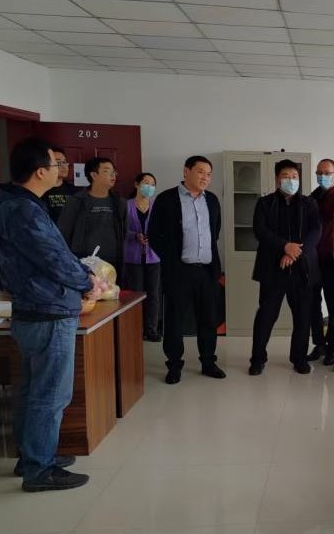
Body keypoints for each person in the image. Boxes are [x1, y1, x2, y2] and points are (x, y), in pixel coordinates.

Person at [0, 137, 103, 491]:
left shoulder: (18, 205)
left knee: (33, 389)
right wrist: (86, 281)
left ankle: (32, 456)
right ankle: (40, 469)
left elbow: (57, 253)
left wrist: (82, 275)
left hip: (35, 309)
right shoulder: (24, 211)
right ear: (40, 171)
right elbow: (54, 260)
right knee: (51, 394)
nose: (61, 170)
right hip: (47, 311)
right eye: (56, 165)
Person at [148, 156, 226, 384]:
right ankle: (174, 365)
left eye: (209, 174)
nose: (205, 178)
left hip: (207, 271)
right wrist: (170, 259)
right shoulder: (166, 199)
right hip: (179, 271)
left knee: (208, 319)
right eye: (200, 172)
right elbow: (154, 235)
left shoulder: (212, 200)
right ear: (186, 171)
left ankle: (208, 362)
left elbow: (215, 231)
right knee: (175, 320)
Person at [249, 159, 322, 376]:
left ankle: (299, 358)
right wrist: (284, 246)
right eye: (286, 176)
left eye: (294, 177)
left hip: (302, 270)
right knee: (266, 316)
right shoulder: (265, 203)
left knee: (302, 317)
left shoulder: (309, 203)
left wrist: (293, 253)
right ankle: (257, 359)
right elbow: (260, 231)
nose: (291, 180)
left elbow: (316, 232)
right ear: (276, 179)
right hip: (273, 270)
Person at [306, 158, 334, 367]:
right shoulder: (311, 198)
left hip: (332, 260)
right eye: (319, 173)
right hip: (312, 259)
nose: (322, 176)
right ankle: (319, 344)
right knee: (312, 304)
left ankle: (332, 348)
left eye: (327, 172)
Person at [57, 156, 128, 284]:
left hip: (113, 263)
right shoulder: (76, 201)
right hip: (84, 263)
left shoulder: (120, 203)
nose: (113, 175)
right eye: (106, 171)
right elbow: (64, 233)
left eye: (114, 171)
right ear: (94, 175)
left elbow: (124, 232)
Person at [124, 172, 162, 341]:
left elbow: (162, 230)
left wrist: (153, 236)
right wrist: (134, 235)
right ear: (137, 184)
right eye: (146, 183)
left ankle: (151, 329)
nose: (149, 187)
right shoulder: (126, 206)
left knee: (153, 295)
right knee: (135, 295)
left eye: (152, 184)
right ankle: (135, 328)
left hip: (153, 258)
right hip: (132, 258)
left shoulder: (156, 207)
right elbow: (119, 229)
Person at [42, 146, 78, 224]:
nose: (63, 166)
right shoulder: (41, 191)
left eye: (64, 162)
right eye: (58, 162)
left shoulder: (74, 191)